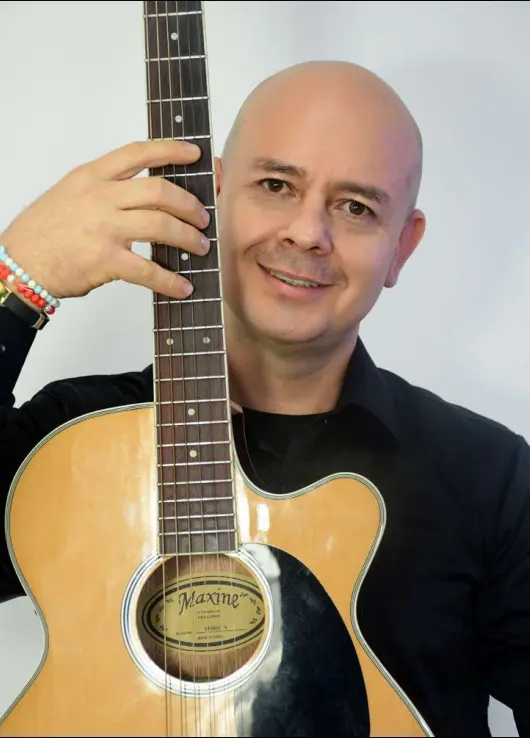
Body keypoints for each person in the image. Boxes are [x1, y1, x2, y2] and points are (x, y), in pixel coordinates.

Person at [0, 60, 529, 736]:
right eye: (276, 185)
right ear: (210, 196)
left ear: (403, 246)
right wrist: (17, 276)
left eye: (356, 207)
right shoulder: (69, 443)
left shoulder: (490, 477)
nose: (307, 232)